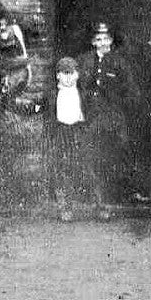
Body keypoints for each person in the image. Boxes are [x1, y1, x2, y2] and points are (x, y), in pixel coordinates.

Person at [75, 21, 140, 210]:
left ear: (111, 40)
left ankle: (121, 195)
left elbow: (132, 92)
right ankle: (95, 197)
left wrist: (118, 105)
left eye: (106, 38)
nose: (102, 42)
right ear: (93, 42)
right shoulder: (83, 61)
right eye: (98, 39)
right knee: (90, 153)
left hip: (113, 116)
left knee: (119, 152)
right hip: (89, 116)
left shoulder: (120, 62)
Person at [38, 57, 104, 221]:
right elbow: (37, 107)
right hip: (61, 132)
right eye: (64, 73)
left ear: (77, 75)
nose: (68, 77)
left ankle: (99, 207)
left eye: (71, 73)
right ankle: (66, 208)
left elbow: (95, 112)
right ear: (58, 76)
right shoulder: (52, 95)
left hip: (79, 132)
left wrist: (87, 128)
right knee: (62, 170)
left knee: (88, 170)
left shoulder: (84, 94)